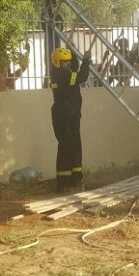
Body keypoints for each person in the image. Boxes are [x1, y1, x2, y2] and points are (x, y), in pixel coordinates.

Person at [49, 47, 91, 191]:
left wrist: (73, 53)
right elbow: (82, 77)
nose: (68, 64)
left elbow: (74, 69)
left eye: (68, 61)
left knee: (66, 148)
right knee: (72, 148)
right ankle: (73, 181)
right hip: (66, 118)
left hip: (66, 116)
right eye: (64, 62)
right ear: (57, 62)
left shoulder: (58, 73)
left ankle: (65, 181)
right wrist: (86, 60)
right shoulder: (63, 75)